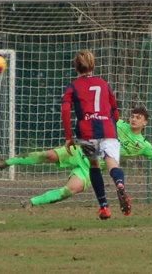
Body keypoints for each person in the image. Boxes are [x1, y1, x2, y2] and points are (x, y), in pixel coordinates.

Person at [0, 106, 152, 209]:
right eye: (132, 115)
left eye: (138, 117)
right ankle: (7, 162)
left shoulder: (144, 146)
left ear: (145, 123)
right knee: (48, 155)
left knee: (71, 190)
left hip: (90, 168)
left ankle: (31, 202)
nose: (134, 118)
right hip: (81, 151)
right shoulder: (118, 123)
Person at [61, 50, 125, 220]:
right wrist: (114, 123)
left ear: (76, 67)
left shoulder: (73, 86)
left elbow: (65, 109)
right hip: (107, 130)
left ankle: (104, 207)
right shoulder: (104, 83)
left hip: (86, 132)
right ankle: (119, 183)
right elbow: (114, 109)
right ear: (93, 65)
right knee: (112, 164)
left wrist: (68, 136)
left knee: (94, 166)